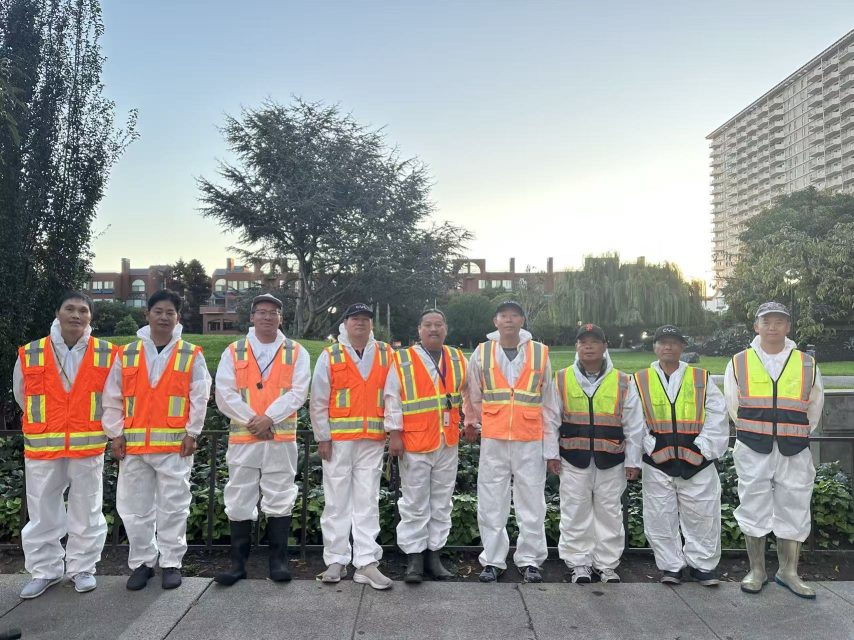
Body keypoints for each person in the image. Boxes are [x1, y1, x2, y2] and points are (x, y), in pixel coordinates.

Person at [102, 289, 211, 591]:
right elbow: (111, 397)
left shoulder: (190, 353)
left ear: (177, 317)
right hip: (135, 447)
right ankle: (142, 563)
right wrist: (115, 434)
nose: (164, 317)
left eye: (170, 313)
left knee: (174, 506)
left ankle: (171, 562)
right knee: (134, 508)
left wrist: (193, 432)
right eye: (158, 311)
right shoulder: (126, 354)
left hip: (174, 446)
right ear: (147, 314)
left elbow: (199, 396)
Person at [13, 292, 117, 598]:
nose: (76, 315)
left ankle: (82, 568)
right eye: (69, 308)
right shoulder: (32, 352)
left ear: (90, 318)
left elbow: (113, 397)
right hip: (45, 444)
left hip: (87, 444)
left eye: (82, 310)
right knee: (43, 509)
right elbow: (22, 394)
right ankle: (44, 571)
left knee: (87, 508)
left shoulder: (106, 353)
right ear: (57, 313)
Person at [724, 301, 824, 599]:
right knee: (752, 503)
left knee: (794, 504)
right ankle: (757, 570)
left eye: (779, 321)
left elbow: (815, 406)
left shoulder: (806, 363)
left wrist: (793, 431)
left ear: (788, 326)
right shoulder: (739, 361)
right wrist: (757, 431)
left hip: (794, 448)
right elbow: (733, 405)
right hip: (753, 447)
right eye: (766, 321)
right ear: (756, 326)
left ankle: (788, 572)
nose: (772, 326)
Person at [213, 293, 310, 585]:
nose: (267, 317)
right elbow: (224, 393)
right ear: (252, 317)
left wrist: (270, 418)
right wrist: (254, 421)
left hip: (279, 438)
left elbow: (298, 392)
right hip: (245, 438)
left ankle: (278, 562)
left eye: (273, 313)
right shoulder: (234, 351)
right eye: (262, 312)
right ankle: (237, 564)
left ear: (281, 318)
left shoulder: (296, 352)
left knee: (280, 496)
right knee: (239, 497)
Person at [463, 300, 560, 584]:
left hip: (530, 438)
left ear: (522, 321)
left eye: (514, 315)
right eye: (503, 316)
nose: (509, 320)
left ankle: (530, 559)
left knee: (532, 501)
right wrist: (475, 421)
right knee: (492, 500)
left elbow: (549, 400)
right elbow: (472, 393)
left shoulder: (540, 353)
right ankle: (492, 560)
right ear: (495, 321)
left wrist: (550, 443)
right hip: (494, 438)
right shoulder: (482, 352)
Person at [547, 323, 644, 584]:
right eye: (582, 342)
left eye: (594, 342)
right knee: (574, 510)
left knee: (609, 513)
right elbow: (550, 420)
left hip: (611, 459)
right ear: (576, 347)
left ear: (604, 347)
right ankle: (579, 564)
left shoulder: (623, 381)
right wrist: (552, 455)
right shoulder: (561, 378)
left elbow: (634, 425)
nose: (588, 346)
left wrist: (634, 460)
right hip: (572, 458)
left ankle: (607, 565)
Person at [634, 325, 729, 586]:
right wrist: (651, 447)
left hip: (697, 462)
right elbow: (633, 420)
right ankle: (671, 566)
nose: (668, 347)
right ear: (654, 347)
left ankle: (703, 566)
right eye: (663, 342)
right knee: (659, 516)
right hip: (658, 463)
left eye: (674, 342)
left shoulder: (701, 378)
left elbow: (717, 415)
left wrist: (703, 450)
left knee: (703, 515)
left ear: (682, 347)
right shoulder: (640, 380)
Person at [309, 303, 394, 590]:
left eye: (366, 319)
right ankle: (336, 559)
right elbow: (319, 398)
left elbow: (393, 394)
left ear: (372, 325)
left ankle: (366, 562)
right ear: (344, 323)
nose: (361, 323)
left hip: (372, 439)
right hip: (339, 440)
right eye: (355, 318)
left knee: (367, 501)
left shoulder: (385, 353)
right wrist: (322, 436)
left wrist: (392, 430)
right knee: (336, 501)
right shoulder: (331, 354)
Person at [385, 309, 467, 583]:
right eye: (428, 325)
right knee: (414, 502)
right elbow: (392, 398)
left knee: (442, 501)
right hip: (415, 440)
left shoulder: (456, 357)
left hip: (447, 440)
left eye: (439, 324)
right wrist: (394, 433)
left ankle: (435, 554)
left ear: (446, 329)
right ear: (419, 329)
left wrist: (471, 421)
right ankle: (415, 559)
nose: (434, 329)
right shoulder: (403, 358)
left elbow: (469, 392)